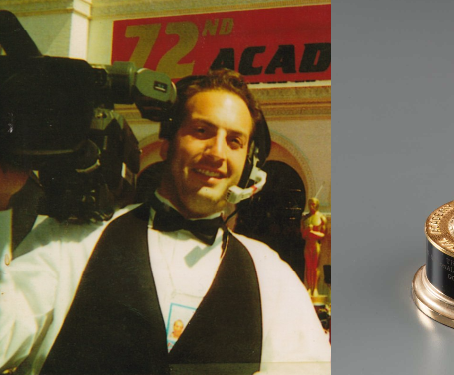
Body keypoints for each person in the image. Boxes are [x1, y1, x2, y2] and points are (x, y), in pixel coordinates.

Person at [0, 69, 330, 375]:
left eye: (234, 141)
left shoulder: (271, 276)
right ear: (167, 144)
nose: (216, 152)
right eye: (202, 131)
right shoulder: (71, 242)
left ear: (248, 164)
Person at [300, 197, 327, 295]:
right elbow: (303, 235)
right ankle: (309, 287)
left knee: (315, 267)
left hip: (316, 245)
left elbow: (323, 235)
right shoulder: (305, 218)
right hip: (308, 245)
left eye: (313, 204)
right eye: (310, 204)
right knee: (308, 267)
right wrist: (307, 231)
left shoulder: (321, 218)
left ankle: (315, 288)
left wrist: (311, 232)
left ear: (317, 205)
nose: (311, 206)